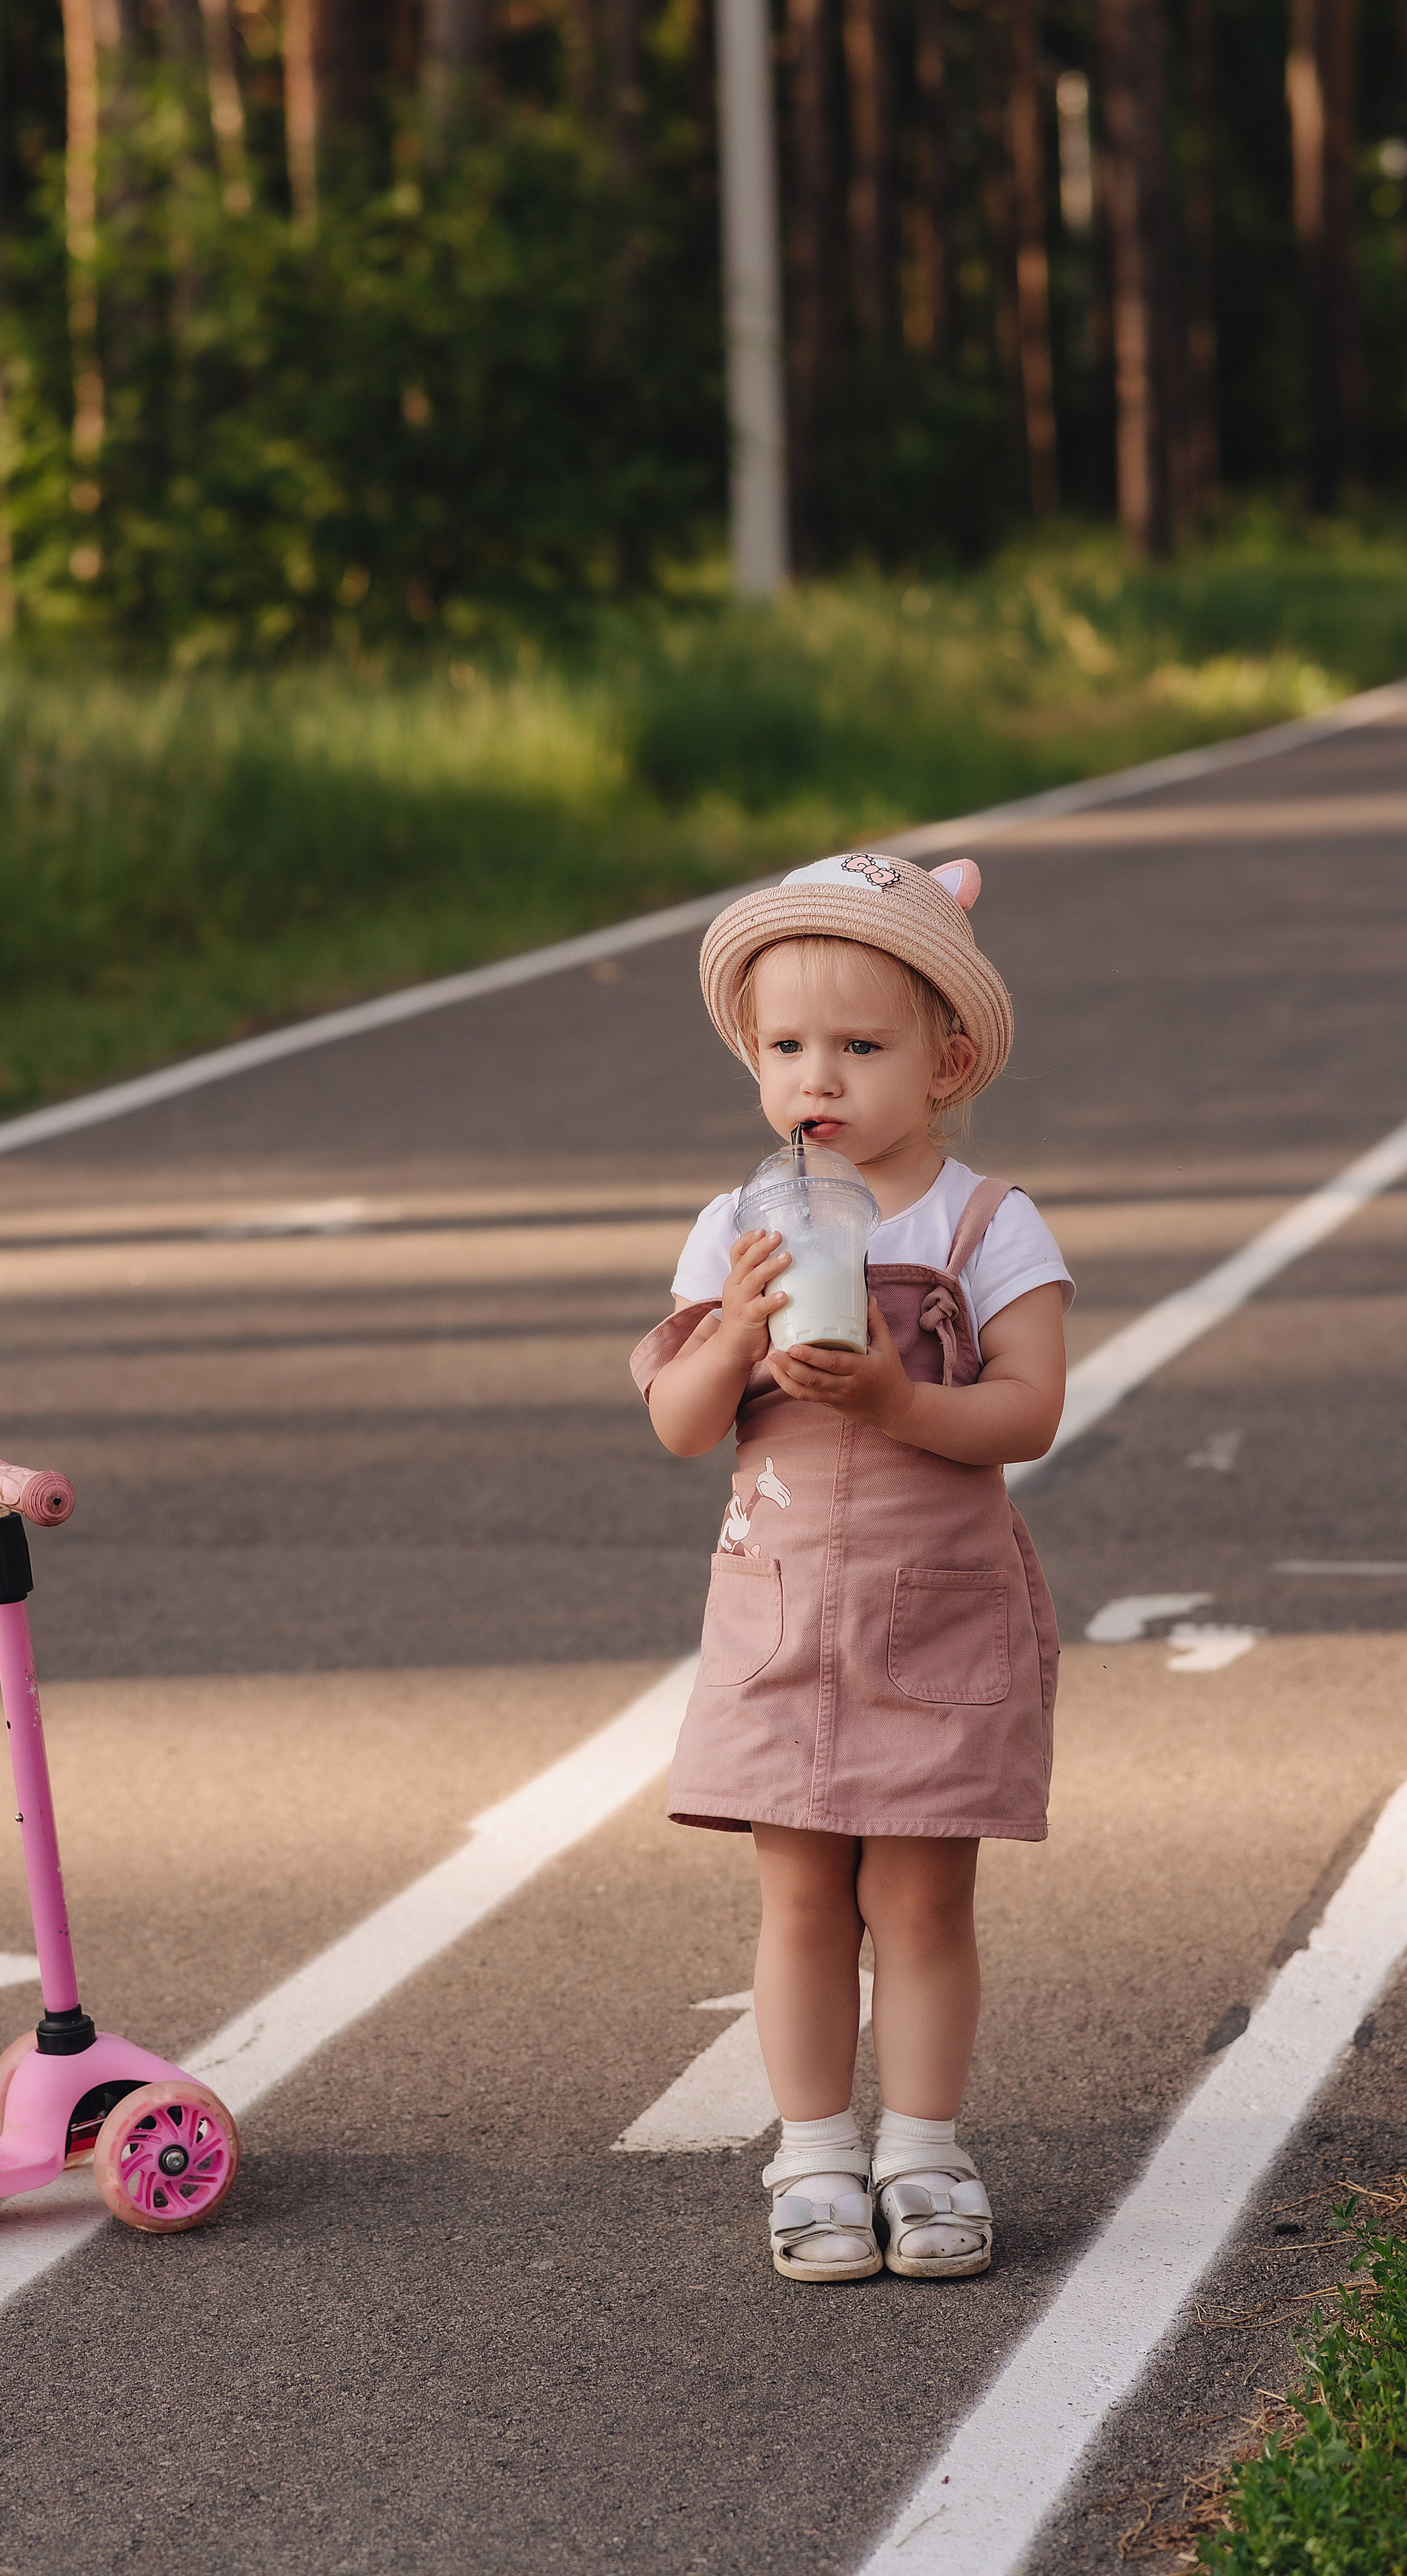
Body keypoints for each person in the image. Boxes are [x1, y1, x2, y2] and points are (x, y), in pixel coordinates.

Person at [629, 852, 1070, 2283]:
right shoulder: (736, 1225)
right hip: (780, 1619)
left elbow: (1028, 1407)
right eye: (784, 1047)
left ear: (944, 1060)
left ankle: (924, 2147)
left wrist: (898, 1404)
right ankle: (814, 2152)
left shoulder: (981, 1222)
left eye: (860, 1046)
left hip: (933, 1616)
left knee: (923, 1900)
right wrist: (730, 1333)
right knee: (801, 1894)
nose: (817, 1075)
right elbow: (679, 1425)